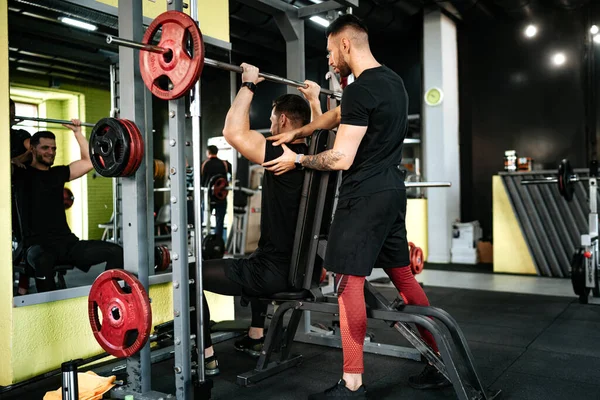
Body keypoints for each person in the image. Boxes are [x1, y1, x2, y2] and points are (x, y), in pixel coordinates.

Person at [263, 14, 449, 399]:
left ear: (345, 45)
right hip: (393, 193)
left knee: (348, 284)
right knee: (403, 277)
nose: (330, 60)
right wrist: (303, 130)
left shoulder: (362, 89)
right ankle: (437, 361)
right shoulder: (392, 82)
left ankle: (352, 383)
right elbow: (343, 113)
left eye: (331, 51)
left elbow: (341, 158)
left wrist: (297, 159)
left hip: (362, 196)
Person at [198, 64, 311, 377]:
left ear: (283, 120)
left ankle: (205, 355)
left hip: (274, 274)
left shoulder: (280, 151)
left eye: (273, 117)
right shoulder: (318, 153)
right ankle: (255, 337)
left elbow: (232, 132)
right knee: (254, 258)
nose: (271, 122)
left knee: (190, 275)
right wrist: (315, 100)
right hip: (302, 271)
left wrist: (248, 84)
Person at [12, 120, 124, 293]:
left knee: (115, 251)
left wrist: (78, 133)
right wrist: (22, 157)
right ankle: (47, 310)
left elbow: (88, 162)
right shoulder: (20, 174)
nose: (51, 152)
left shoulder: (58, 173)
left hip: (66, 244)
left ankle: (107, 295)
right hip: (35, 246)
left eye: (54, 148)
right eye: (45, 148)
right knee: (43, 261)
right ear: (33, 149)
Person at [200, 145, 230, 240]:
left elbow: (201, 181)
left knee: (204, 221)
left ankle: (205, 242)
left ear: (208, 152)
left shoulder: (204, 164)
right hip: (221, 197)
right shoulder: (224, 164)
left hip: (208, 197)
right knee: (219, 222)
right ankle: (218, 244)